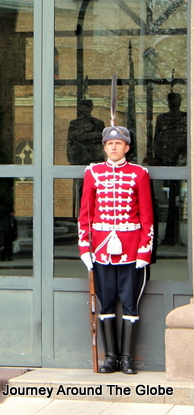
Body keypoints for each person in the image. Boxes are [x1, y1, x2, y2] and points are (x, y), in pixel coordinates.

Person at [78, 124, 154, 375]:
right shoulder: (93, 172)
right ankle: (111, 357)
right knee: (106, 303)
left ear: (127, 147)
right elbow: (85, 215)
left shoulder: (139, 174)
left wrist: (144, 251)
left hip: (131, 250)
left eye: (118, 143)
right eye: (109, 144)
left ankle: (127, 358)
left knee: (130, 305)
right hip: (101, 251)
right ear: (104, 147)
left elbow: (147, 216)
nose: (113, 147)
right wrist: (85, 249)